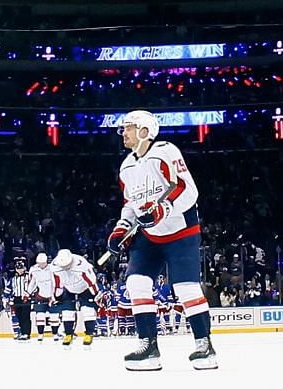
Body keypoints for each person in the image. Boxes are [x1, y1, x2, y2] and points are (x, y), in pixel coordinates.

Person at [107, 109, 216, 371]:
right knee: (135, 282)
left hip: (181, 231)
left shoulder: (165, 151)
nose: (124, 132)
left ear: (145, 131)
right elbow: (130, 205)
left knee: (186, 289)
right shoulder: (126, 167)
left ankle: (205, 346)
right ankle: (148, 346)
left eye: (129, 127)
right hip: (150, 235)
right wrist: (122, 227)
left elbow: (187, 190)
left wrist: (162, 208)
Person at [55, 248, 98, 346]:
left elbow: (91, 281)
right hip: (68, 288)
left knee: (88, 311)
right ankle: (68, 334)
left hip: (84, 288)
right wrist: (57, 296)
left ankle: (89, 334)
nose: (65, 268)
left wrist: (95, 294)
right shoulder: (54, 265)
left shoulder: (82, 264)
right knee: (67, 312)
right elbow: (57, 283)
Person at [28, 251, 61, 341]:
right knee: (40, 316)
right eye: (39, 263)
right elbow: (32, 282)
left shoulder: (52, 269)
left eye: (43, 263)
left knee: (54, 316)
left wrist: (53, 296)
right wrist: (27, 293)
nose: (41, 265)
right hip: (40, 295)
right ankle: (40, 334)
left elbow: (55, 283)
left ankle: (55, 334)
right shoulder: (33, 269)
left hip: (52, 295)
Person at [5, 254, 33, 341]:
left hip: (25, 298)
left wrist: (29, 295)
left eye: (21, 268)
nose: (20, 270)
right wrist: (6, 298)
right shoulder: (13, 279)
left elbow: (33, 286)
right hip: (16, 299)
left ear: (24, 268)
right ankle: (21, 332)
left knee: (26, 316)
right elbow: (8, 289)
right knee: (19, 316)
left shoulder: (29, 277)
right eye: (18, 269)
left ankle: (26, 333)